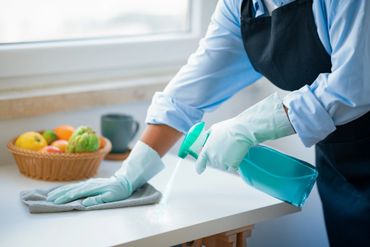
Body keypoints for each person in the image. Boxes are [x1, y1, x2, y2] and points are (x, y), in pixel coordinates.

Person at [47, 0, 370, 245]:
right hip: (341, 159)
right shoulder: (240, 6)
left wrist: (250, 125)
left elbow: (356, 83)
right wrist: (131, 172)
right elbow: (194, 86)